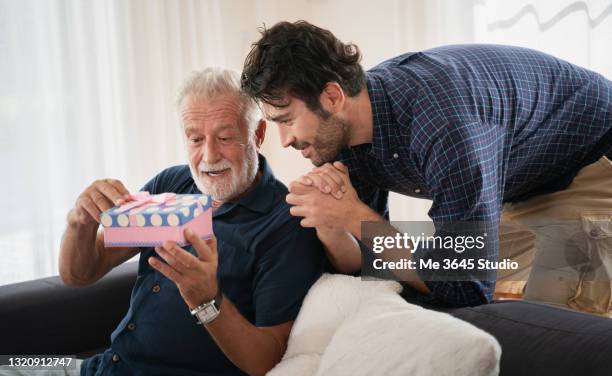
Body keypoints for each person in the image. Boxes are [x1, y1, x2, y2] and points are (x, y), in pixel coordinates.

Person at [240, 20, 612, 310]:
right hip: (528, 181)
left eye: (286, 120)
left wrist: (354, 215)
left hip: (594, 155)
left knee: (550, 318)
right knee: (454, 295)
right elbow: (377, 256)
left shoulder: (442, 124)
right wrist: (333, 222)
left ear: (332, 97)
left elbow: (467, 286)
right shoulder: (346, 134)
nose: (285, 140)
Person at [57, 67, 326, 375]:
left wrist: (207, 301)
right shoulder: (172, 182)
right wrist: (80, 221)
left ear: (258, 135)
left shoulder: (285, 224)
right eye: (196, 139)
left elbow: (267, 361)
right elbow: (78, 274)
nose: (209, 156)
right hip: (101, 366)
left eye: (225, 138)